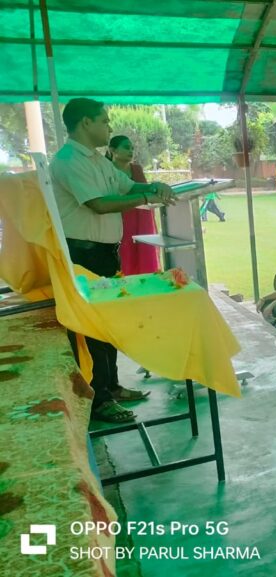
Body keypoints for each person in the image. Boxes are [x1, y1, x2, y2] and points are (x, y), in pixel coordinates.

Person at [51, 98, 176, 423]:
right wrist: (147, 197)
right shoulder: (68, 161)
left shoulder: (98, 160)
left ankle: (113, 386)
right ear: (85, 123)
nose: (109, 126)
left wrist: (154, 185)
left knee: (108, 325)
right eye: (104, 121)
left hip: (105, 254)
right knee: (93, 329)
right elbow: (99, 204)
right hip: (83, 255)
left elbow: (127, 185)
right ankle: (99, 399)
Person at [106, 135, 159, 275]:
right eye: (126, 147)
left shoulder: (137, 169)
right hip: (118, 216)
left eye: (132, 148)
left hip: (141, 217)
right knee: (124, 251)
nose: (130, 151)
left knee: (144, 250)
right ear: (112, 150)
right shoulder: (106, 170)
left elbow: (145, 190)